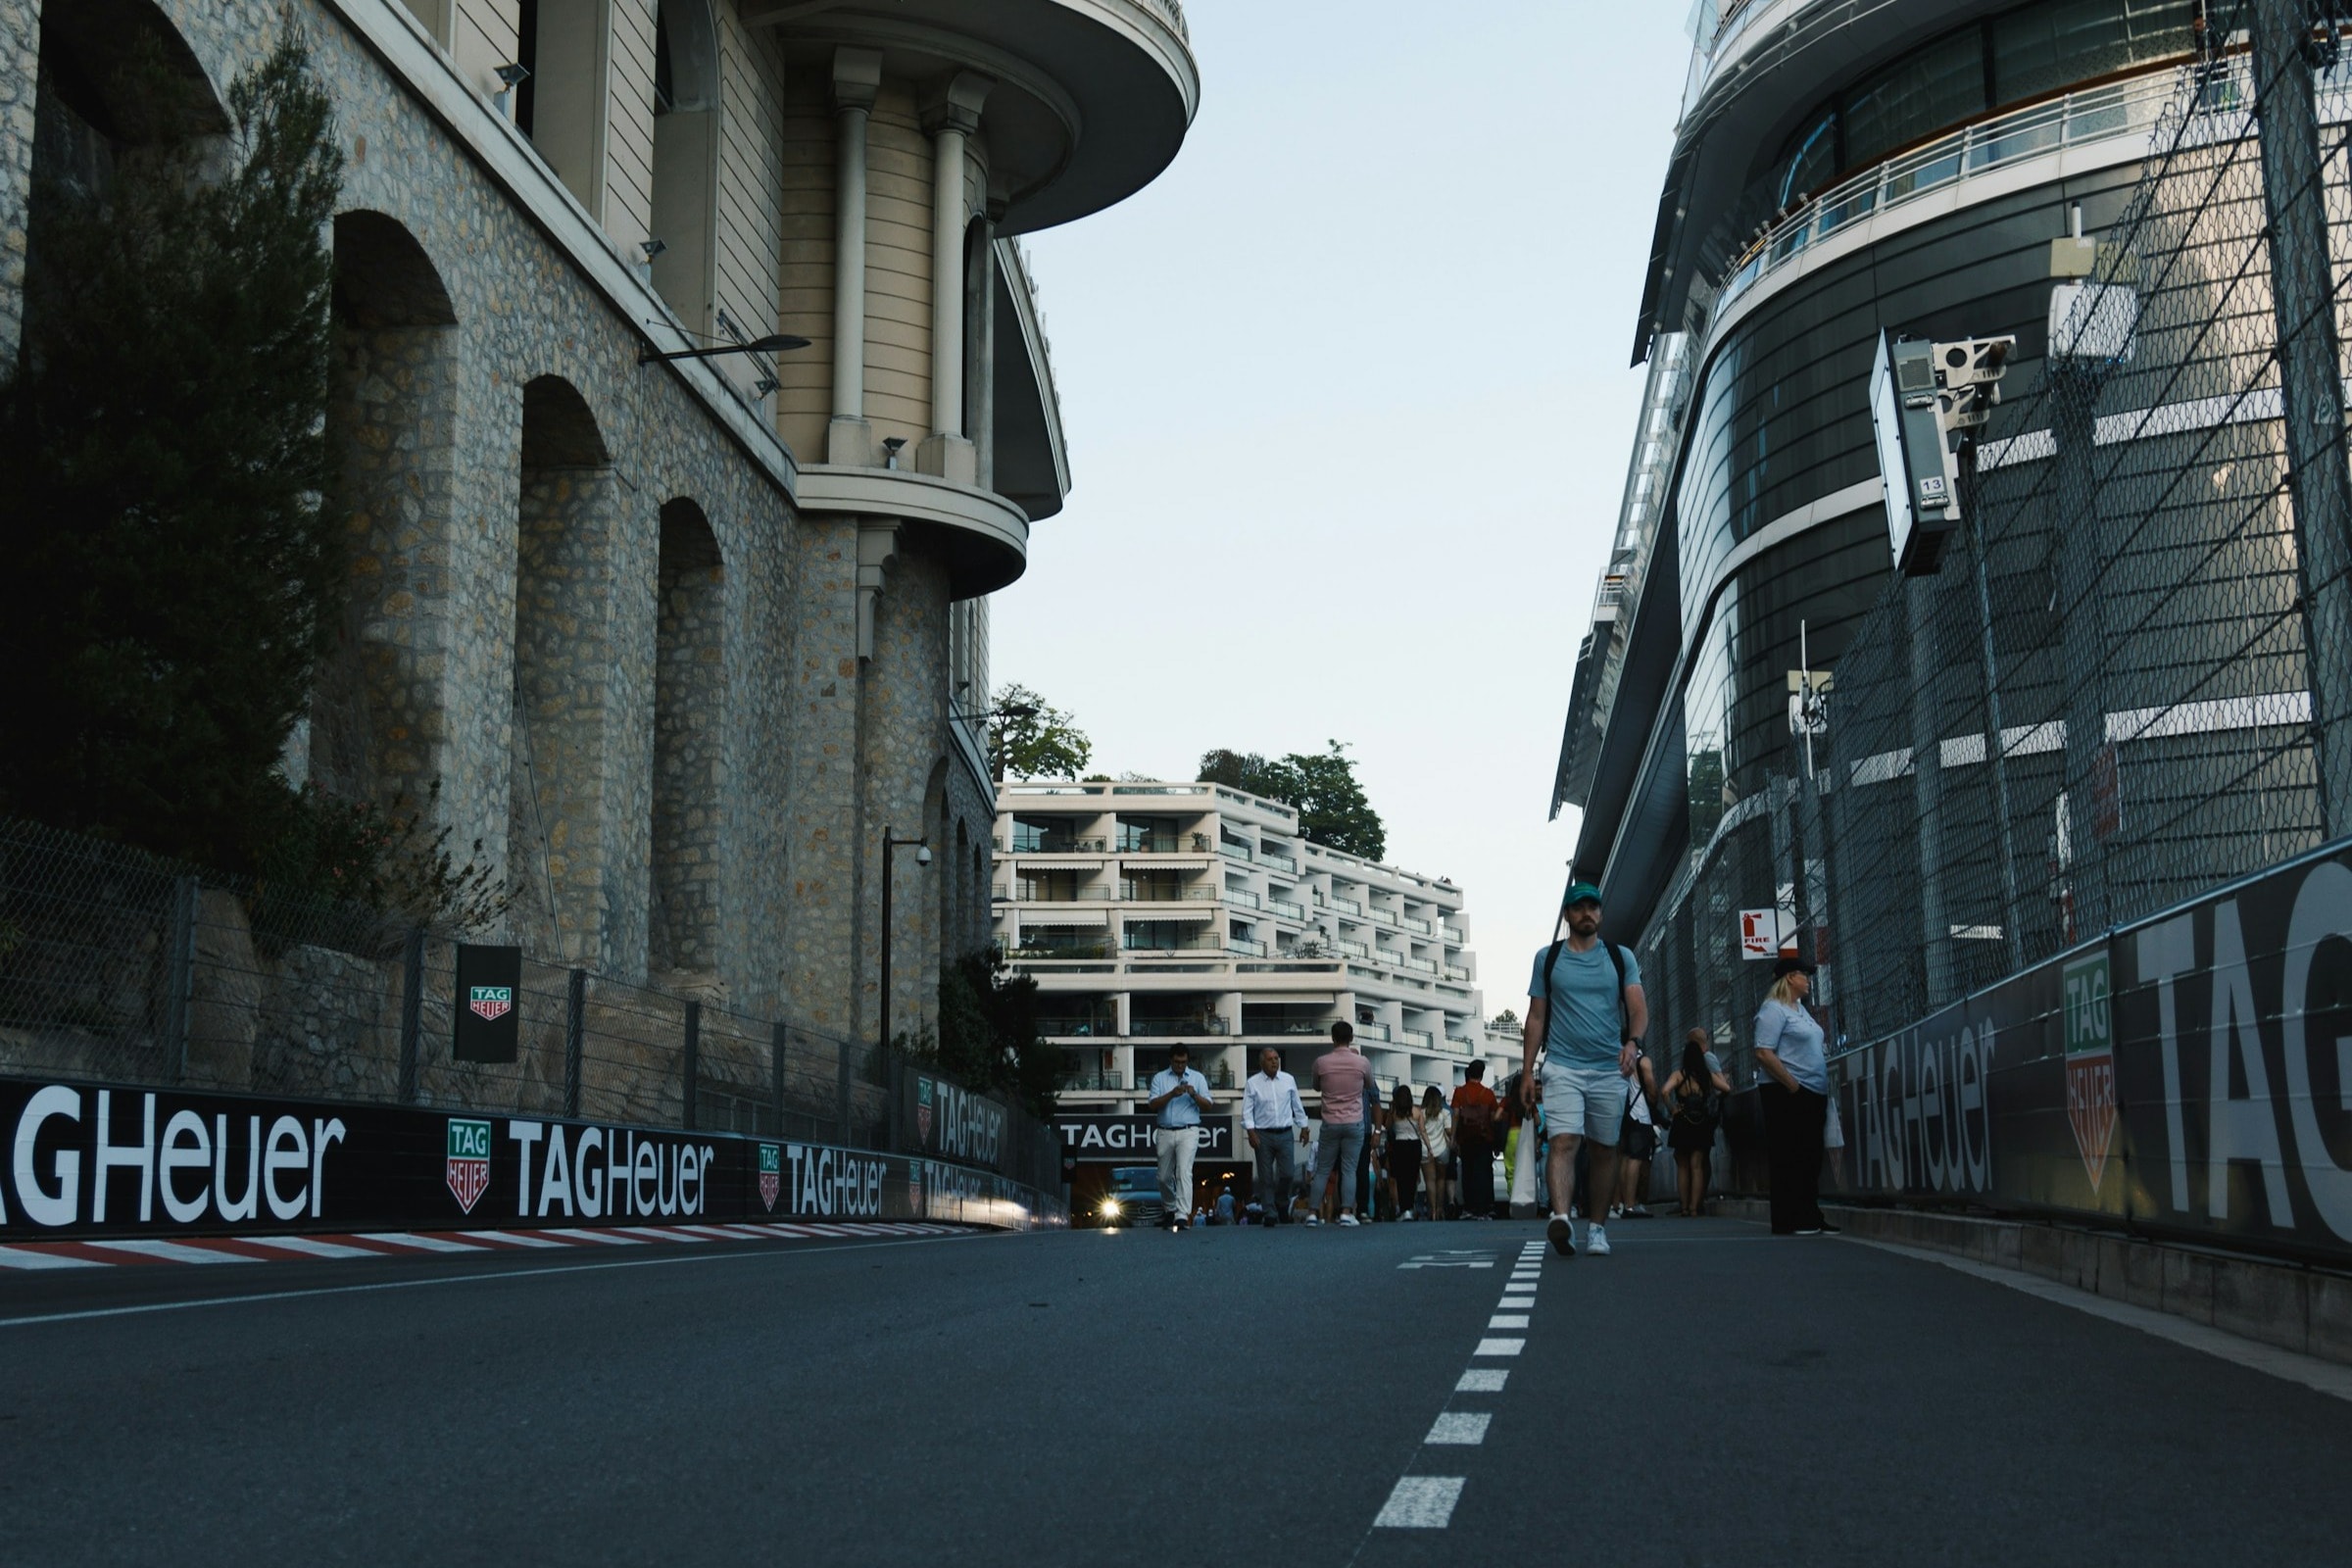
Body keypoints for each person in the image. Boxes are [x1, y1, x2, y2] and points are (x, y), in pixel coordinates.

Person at [1522, 881, 1647, 1259]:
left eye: (1594, 907)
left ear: (1601, 913)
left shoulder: (1619, 956)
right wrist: (1527, 1071)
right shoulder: (1549, 958)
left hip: (1611, 1068)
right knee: (1563, 1142)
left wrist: (1633, 1044)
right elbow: (1536, 1016)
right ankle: (1561, 1217)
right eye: (1579, 908)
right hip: (1562, 1065)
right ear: (1568, 915)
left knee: (1605, 1150)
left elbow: (1637, 1007)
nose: (1587, 913)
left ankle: (1597, 1229)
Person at [1754, 956, 1836, 1236]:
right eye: (1805, 975)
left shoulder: (1799, 1009)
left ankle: (1810, 1213)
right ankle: (1791, 1218)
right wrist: (1792, 1086)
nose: (1809, 980)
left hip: (1811, 1090)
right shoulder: (1773, 1010)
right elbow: (1763, 1052)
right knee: (1790, 1155)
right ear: (1790, 977)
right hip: (1788, 1091)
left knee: (1810, 1156)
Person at [1304, 1022, 1376, 1226]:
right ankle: (1346, 1212)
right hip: (1354, 1122)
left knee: (1323, 1169)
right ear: (1351, 1037)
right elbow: (1369, 1085)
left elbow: (1316, 1086)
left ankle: (1312, 1213)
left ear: (1333, 1038)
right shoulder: (1362, 1063)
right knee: (1349, 1169)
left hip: (1330, 1122)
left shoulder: (1321, 1063)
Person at [1144, 1044, 1216, 1233]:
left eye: (1183, 1062)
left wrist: (1194, 1095)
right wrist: (1171, 1094)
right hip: (1165, 1130)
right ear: (1171, 1060)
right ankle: (1170, 1208)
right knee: (1163, 1176)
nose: (1180, 1066)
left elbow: (1208, 1105)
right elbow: (1152, 1104)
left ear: (1187, 1061)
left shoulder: (1197, 1078)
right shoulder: (1160, 1078)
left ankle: (1182, 1215)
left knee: (1184, 1171)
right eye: (1177, 1062)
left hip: (1188, 1130)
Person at [1661, 1029, 1732, 1216]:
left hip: (1682, 1120)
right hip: (1701, 1121)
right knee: (1697, 1165)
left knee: (1682, 1165)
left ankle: (1684, 1207)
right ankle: (1694, 1208)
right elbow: (1726, 1088)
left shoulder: (1678, 1074)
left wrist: (1672, 1108)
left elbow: (1664, 1091)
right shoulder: (1706, 1076)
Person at [1242, 1047, 1309, 1226]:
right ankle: (1269, 1213)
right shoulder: (1253, 1082)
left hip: (1285, 1132)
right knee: (1266, 1177)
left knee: (1287, 1174)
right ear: (1262, 1062)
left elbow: (1297, 1104)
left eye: (1276, 1058)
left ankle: (1281, 1202)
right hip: (1263, 1134)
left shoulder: (1288, 1079)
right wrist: (1250, 1131)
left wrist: (1304, 1126)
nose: (1274, 1062)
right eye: (1270, 1059)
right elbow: (1247, 1110)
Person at [1613, 1050, 1662, 1218]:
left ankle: (1624, 1203)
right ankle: (1630, 1205)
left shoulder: (1618, 1060)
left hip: (1623, 1115)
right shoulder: (1642, 1061)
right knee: (1636, 1159)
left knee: (1626, 1158)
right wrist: (1654, 1099)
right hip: (1640, 1115)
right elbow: (1651, 1086)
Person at [1451, 1064, 1501, 1219]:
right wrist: (1496, 1141)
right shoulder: (1488, 1094)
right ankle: (1484, 1208)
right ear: (1481, 1074)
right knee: (1484, 1173)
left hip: (1466, 1138)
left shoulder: (1459, 1092)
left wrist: (1453, 1137)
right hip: (1484, 1138)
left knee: (1468, 1172)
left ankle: (1469, 1207)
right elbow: (1494, 1119)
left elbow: (1455, 1115)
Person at [1382, 1084, 1423, 1221]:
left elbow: (1387, 1126)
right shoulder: (1416, 1111)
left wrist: (1391, 1109)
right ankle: (1410, 1207)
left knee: (1401, 1178)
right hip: (1415, 1145)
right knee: (1412, 1177)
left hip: (1400, 1145)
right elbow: (1422, 1130)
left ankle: (1404, 1208)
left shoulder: (1394, 1113)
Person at [1419, 1085, 1452, 1220]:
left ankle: (1431, 1211)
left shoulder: (1421, 1113)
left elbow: (1420, 1131)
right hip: (1442, 1149)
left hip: (1425, 1149)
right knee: (1441, 1179)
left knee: (1429, 1181)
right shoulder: (1445, 1113)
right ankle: (1440, 1209)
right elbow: (1449, 1131)